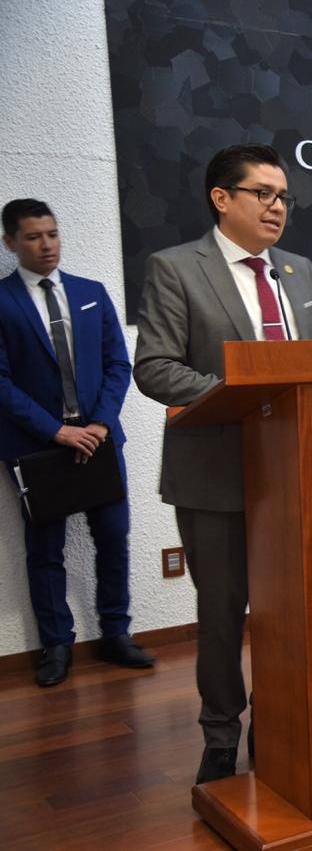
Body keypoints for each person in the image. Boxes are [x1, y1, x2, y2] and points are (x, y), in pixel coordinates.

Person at [133, 144, 312, 784]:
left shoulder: (297, 272)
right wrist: (238, 396)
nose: (277, 208)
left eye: (284, 198)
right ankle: (221, 734)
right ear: (222, 198)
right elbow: (155, 367)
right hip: (214, 475)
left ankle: (279, 722)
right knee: (223, 612)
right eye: (263, 194)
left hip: (291, 475)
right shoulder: (176, 268)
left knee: (287, 609)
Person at [0, 200, 154, 688]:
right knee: (45, 548)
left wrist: (102, 425)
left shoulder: (91, 293)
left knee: (113, 536)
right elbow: (0, 381)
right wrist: (57, 430)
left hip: (100, 440)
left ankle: (115, 634)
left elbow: (117, 365)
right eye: (32, 237)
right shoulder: (1, 300)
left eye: (52, 233)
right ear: (10, 243)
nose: (46, 245)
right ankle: (57, 645)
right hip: (37, 445)